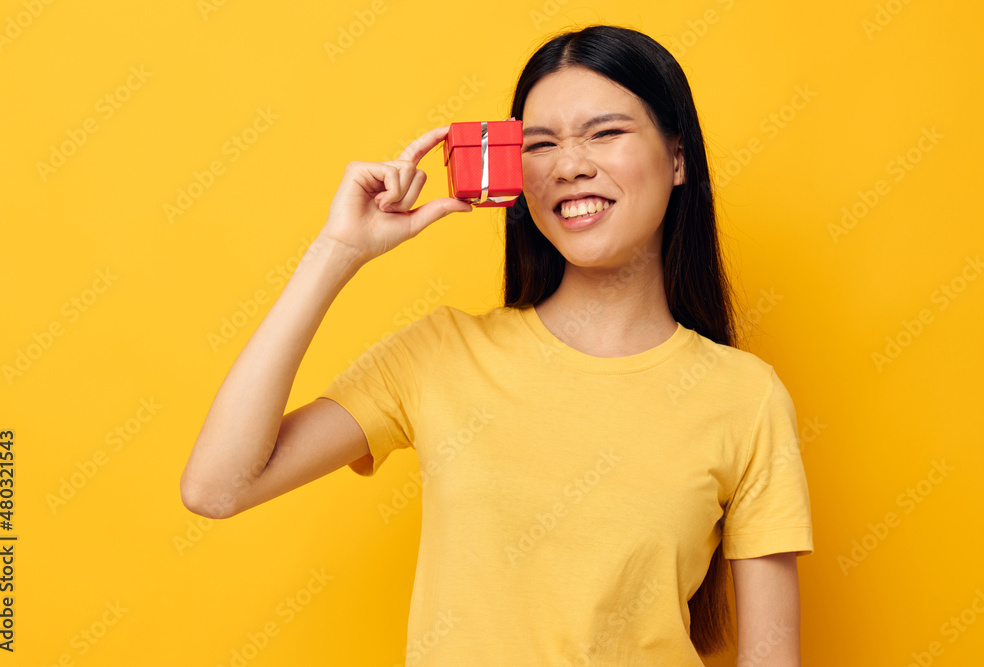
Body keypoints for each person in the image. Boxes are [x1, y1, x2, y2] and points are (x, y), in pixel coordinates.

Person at [180, 24, 814, 666]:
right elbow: (217, 487)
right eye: (540, 144)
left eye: (606, 132)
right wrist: (337, 252)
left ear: (677, 158)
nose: (570, 165)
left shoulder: (745, 397)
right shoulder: (441, 354)